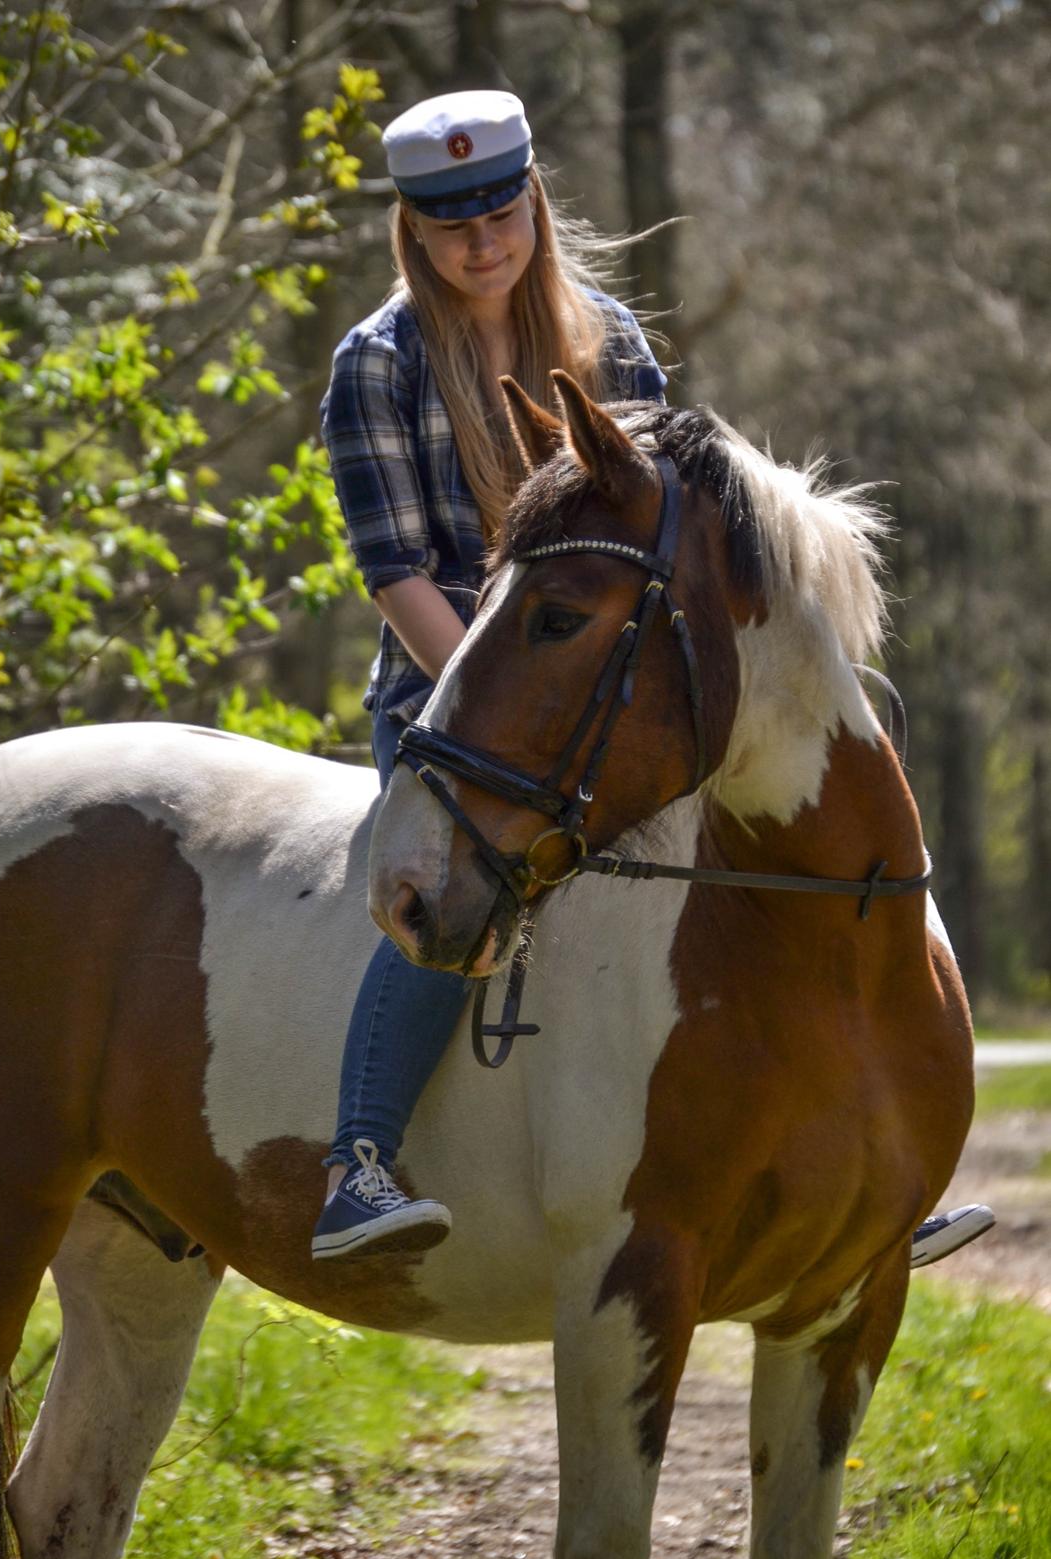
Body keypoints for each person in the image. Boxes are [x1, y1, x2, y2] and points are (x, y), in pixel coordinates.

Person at [311, 89, 994, 1271]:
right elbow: (392, 568)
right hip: (452, 704)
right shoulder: (375, 363)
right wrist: (490, 712)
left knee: (801, 860)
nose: (481, 242)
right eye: (447, 222)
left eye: (498, 211)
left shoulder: (613, 340)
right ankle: (355, 1159)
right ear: (410, 233)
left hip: (617, 693)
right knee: (454, 890)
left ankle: (871, 1158)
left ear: (530, 201)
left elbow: (666, 539)